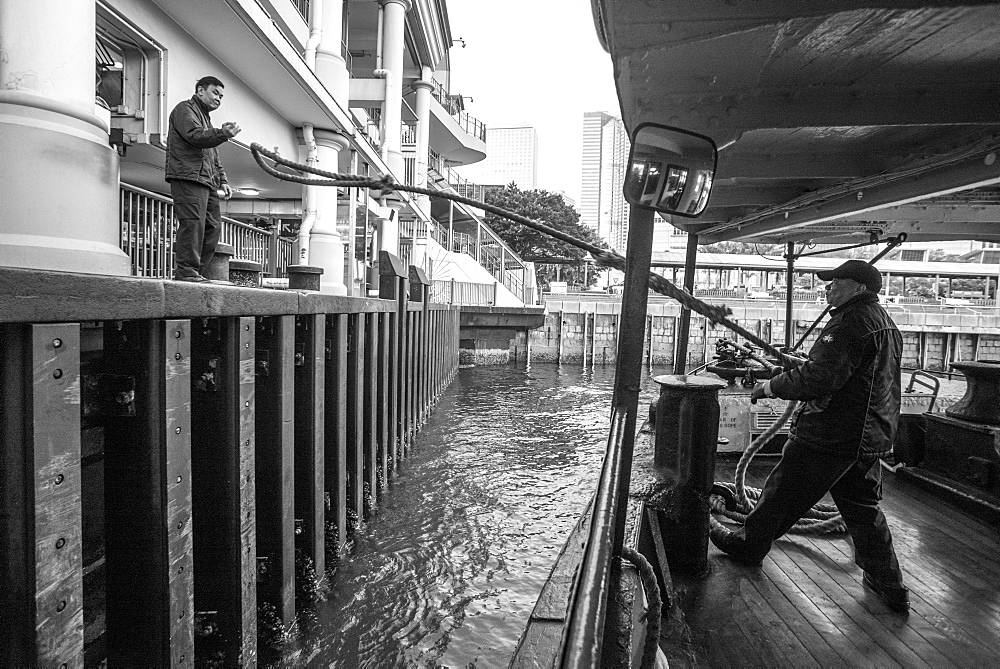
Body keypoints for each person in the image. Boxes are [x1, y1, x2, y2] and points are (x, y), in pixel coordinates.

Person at [710, 259, 910, 613]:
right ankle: (889, 583)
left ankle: (748, 547)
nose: (828, 287)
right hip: (868, 436)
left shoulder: (849, 323)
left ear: (859, 288)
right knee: (862, 509)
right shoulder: (885, 324)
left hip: (832, 433)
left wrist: (771, 386)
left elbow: (821, 378)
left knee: (781, 494)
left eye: (836, 282)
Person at [165, 76, 241, 282]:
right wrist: (222, 133)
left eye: (221, 96)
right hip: (188, 177)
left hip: (206, 180)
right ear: (200, 90)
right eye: (215, 93)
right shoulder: (184, 109)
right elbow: (195, 136)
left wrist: (223, 179)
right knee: (193, 224)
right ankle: (187, 272)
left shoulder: (206, 119)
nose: (219, 99)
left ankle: (195, 271)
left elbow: (212, 154)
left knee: (212, 226)